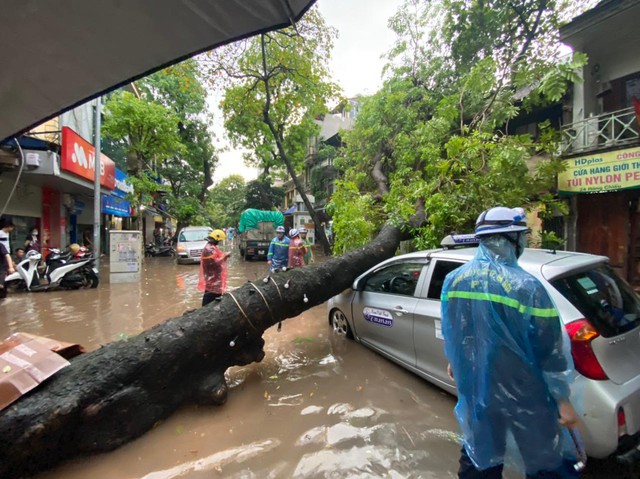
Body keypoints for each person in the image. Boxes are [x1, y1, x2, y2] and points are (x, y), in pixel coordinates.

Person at [441, 206, 580, 479]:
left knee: (479, 457)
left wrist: (454, 361)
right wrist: (563, 400)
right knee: (545, 462)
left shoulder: (453, 280)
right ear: (511, 239)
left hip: (478, 389)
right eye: (523, 236)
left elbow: (454, 330)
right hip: (526, 394)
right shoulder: (527, 287)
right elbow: (550, 349)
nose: (525, 242)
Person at [198, 229, 231, 306]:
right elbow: (213, 263)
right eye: (219, 241)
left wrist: (224, 256)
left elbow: (218, 258)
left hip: (215, 279)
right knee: (211, 296)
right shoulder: (209, 249)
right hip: (213, 279)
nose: (219, 242)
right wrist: (225, 256)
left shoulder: (213, 247)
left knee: (215, 296)